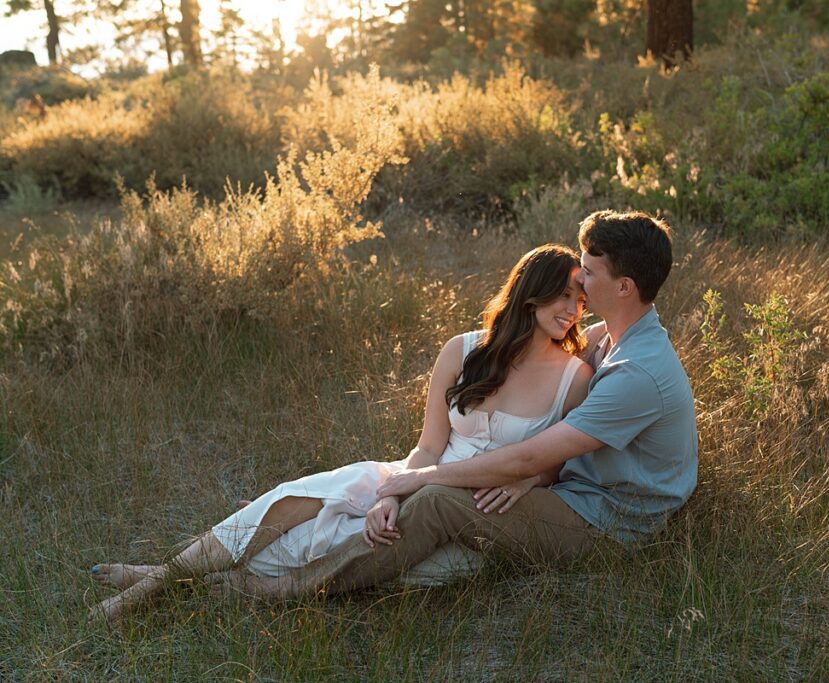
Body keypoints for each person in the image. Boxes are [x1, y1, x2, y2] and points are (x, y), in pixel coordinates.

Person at [88, 244, 593, 622]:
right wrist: (392, 493)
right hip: (415, 474)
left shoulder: (574, 378)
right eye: (563, 295)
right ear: (531, 292)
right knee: (298, 500)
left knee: (345, 551)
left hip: (467, 513)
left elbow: (547, 469)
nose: (572, 310)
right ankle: (152, 584)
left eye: (580, 301)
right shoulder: (462, 350)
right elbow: (429, 445)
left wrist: (520, 483)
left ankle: (195, 585)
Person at [217, 209, 699, 601]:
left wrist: (425, 478)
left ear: (624, 287)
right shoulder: (605, 338)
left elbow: (534, 454)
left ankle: (291, 591)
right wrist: (526, 476)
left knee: (438, 502)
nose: (579, 283)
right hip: (571, 492)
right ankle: (298, 526)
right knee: (408, 491)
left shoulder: (637, 370)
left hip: (605, 524)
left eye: (589, 273)